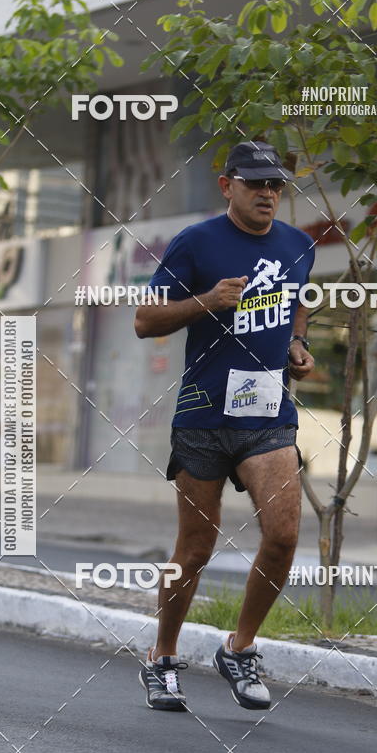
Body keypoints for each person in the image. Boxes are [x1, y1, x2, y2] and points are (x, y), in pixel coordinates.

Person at [135, 140, 315, 711]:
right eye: (255, 183)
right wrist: (209, 301)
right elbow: (145, 320)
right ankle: (162, 657)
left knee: (284, 535)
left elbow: (299, 299)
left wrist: (297, 342)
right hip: (204, 414)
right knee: (195, 548)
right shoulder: (197, 242)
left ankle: (240, 648)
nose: (268, 193)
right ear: (227, 185)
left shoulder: (298, 244)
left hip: (266, 413)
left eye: (276, 186)